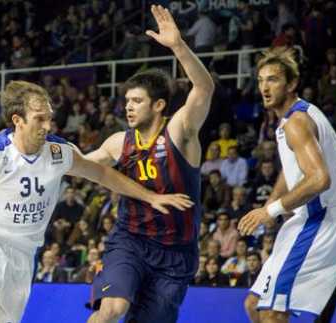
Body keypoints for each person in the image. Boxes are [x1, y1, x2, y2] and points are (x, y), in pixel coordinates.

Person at [0, 80, 193, 323]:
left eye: (50, 117)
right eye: (40, 118)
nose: (48, 124)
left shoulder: (59, 153)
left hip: (23, 255)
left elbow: (101, 173)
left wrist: (150, 196)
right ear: (18, 121)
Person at [85, 5, 215, 323]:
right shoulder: (119, 142)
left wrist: (177, 46)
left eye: (137, 101)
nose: (128, 107)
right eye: (127, 101)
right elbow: (80, 164)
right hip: (129, 241)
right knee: (111, 308)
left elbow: (204, 88)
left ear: (158, 105)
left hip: (175, 254)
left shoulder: (179, 132)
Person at [239, 47, 336, 323]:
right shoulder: (292, 119)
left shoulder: (297, 123)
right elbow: (292, 171)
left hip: (321, 221)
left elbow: (319, 179)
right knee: (253, 305)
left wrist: (272, 210)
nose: (264, 87)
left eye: (273, 79)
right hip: (308, 221)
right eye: (261, 79)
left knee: (274, 314)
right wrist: (270, 203)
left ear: (291, 84)